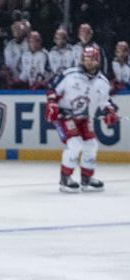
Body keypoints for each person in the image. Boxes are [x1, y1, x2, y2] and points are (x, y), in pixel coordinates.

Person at [45, 46, 117, 193]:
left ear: (98, 61)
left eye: (92, 59)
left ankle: (86, 179)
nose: (88, 62)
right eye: (86, 59)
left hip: (84, 118)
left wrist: (110, 112)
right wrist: (52, 104)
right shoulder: (70, 74)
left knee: (91, 145)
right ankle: (65, 179)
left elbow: (106, 102)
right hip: (64, 116)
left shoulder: (103, 82)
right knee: (75, 145)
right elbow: (52, 88)